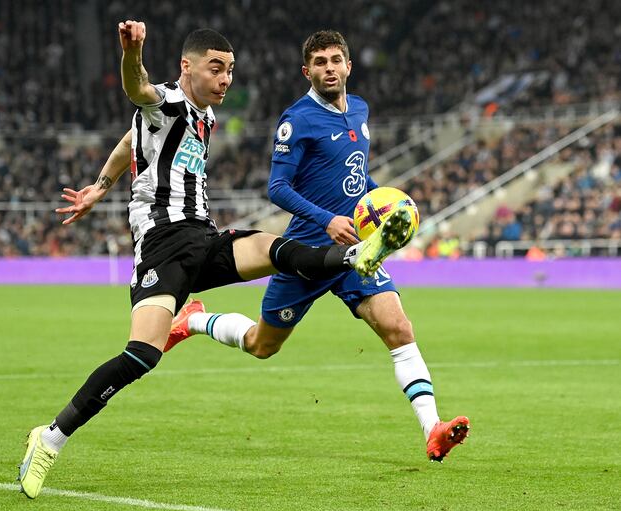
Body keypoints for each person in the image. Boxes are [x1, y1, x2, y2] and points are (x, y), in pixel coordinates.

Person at [17, 21, 410, 499]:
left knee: (273, 249)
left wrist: (100, 187)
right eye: (216, 69)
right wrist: (133, 50)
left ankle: (353, 257)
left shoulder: (205, 117)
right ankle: (50, 438)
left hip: (202, 235)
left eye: (230, 71)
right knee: (142, 354)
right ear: (187, 67)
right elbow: (135, 88)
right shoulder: (165, 100)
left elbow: (129, 142)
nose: (226, 80)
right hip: (162, 244)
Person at [165, 30, 470, 463]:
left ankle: (432, 429)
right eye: (320, 62)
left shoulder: (360, 110)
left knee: (399, 329)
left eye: (336, 60)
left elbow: (357, 179)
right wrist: (327, 220)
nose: (329, 68)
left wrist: (384, 205)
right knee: (261, 344)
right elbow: (277, 187)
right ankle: (194, 320)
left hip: (354, 254)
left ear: (348, 65)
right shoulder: (297, 119)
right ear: (307, 71)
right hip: (305, 252)